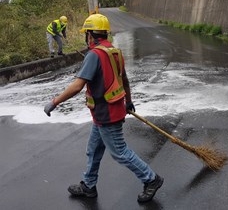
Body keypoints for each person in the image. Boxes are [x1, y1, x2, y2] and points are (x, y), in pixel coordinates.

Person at [43, 13, 164, 203]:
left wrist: (55, 102)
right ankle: (89, 185)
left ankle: (151, 179)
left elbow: (77, 85)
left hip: (108, 114)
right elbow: (124, 79)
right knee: (93, 149)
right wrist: (129, 101)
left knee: (119, 152)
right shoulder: (114, 52)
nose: (86, 37)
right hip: (105, 112)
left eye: (87, 34)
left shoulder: (94, 55)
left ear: (90, 35)